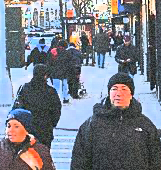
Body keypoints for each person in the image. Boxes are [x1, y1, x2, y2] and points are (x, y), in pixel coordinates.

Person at [71, 72, 161, 170]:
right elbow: (79, 162)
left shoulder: (145, 125)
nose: (118, 93)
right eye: (114, 89)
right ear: (109, 93)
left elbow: (156, 161)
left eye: (124, 89)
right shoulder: (91, 125)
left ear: (131, 95)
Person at [12, 64, 62, 149]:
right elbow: (57, 110)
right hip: (45, 129)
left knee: (26, 156)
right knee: (43, 156)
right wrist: (51, 124)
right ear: (45, 75)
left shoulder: (24, 89)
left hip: (27, 129)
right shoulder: (51, 91)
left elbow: (17, 109)